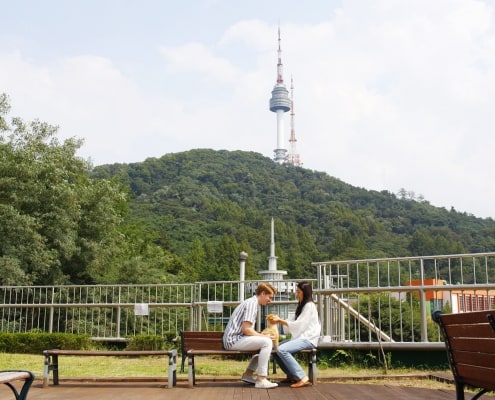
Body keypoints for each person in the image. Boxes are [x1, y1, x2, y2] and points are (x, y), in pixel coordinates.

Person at [223, 282, 279, 389]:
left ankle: (248, 375)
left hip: (234, 339)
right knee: (267, 342)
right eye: (269, 297)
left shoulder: (251, 302)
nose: (270, 300)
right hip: (233, 340)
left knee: (263, 345)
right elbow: (246, 329)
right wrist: (263, 337)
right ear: (263, 293)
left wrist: (260, 336)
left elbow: (246, 329)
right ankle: (261, 379)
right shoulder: (252, 304)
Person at [269, 281, 321, 388]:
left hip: (308, 339)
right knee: (276, 349)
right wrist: (278, 320)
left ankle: (302, 377)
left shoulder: (309, 306)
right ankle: (292, 375)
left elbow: (299, 324)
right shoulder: (302, 305)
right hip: (302, 338)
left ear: (305, 292)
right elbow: (292, 320)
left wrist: (280, 321)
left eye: (298, 292)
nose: (297, 294)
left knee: (282, 350)